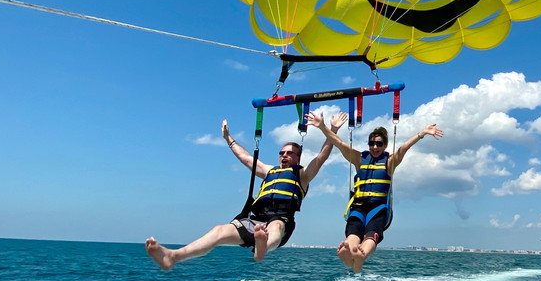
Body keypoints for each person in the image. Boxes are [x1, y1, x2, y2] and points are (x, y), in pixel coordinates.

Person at [145, 111, 344, 270]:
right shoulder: (268, 171)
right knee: (218, 231)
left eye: (290, 153)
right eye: (282, 153)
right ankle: (174, 256)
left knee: (275, 228)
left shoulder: (302, 175)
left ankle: (262, 247)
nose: (284, 156)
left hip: (281, 220)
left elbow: (321, 156)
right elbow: (246, 158)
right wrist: (228, 139)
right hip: (255, 220)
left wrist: (331, 128)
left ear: (298, 158)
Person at [319, 118, 443, 272]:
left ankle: (360, 254)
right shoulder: (359, 159)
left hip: (378, 208)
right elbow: (339, 143)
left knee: (372, 234)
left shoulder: (389, 162)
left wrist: (422, 133)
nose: (374, 147)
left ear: (385, 146)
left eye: (378, 144)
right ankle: (352, 254)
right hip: (358, 206)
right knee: (353, 232)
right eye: (371, 143)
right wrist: (322, 126)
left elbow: (404, 148)